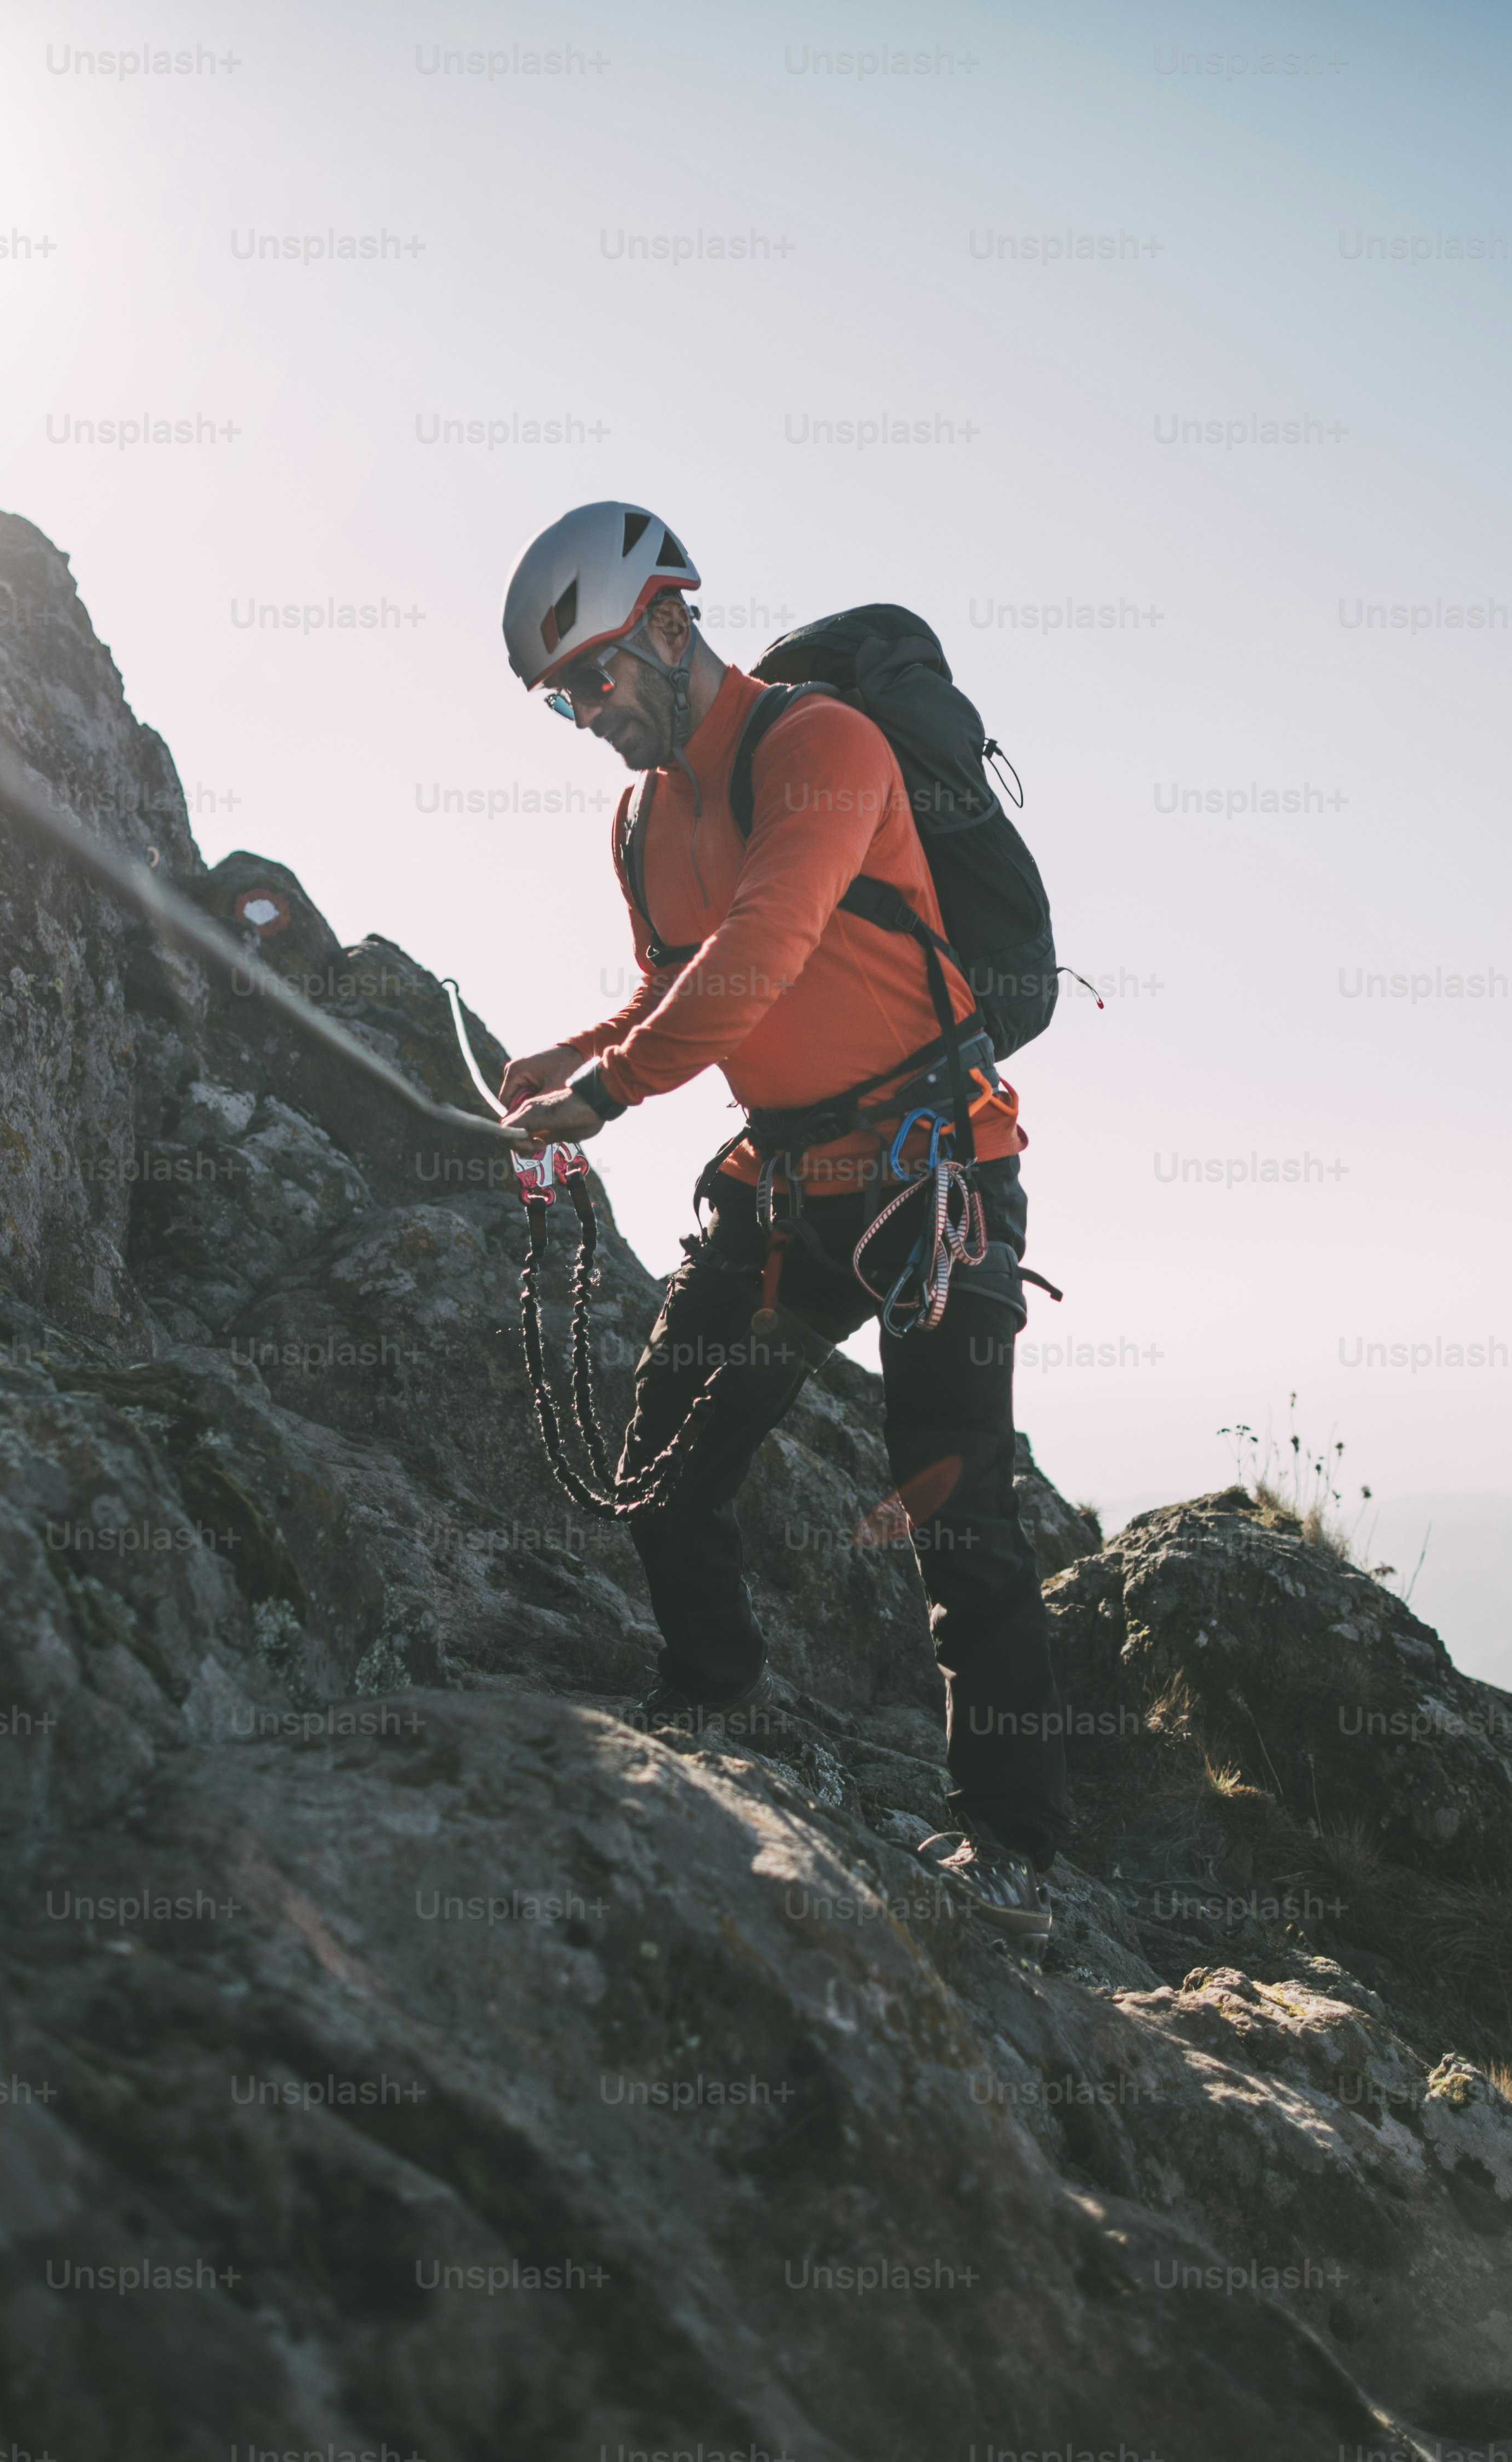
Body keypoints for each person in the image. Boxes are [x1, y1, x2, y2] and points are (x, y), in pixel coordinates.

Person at [490, 501, 1065, 1936]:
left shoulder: (821, 746)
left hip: (935, 1180)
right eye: (558, 698)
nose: (582, 714)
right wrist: (564, 1060)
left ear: (674, 624)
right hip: (791, 1182)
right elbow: (671, 983)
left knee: (959, 1515)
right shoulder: (641, 821)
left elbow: (763, 956)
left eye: (597, 676)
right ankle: (711, 1708)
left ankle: (1021, 1849)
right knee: (667, 1454)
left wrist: (611, 1096)